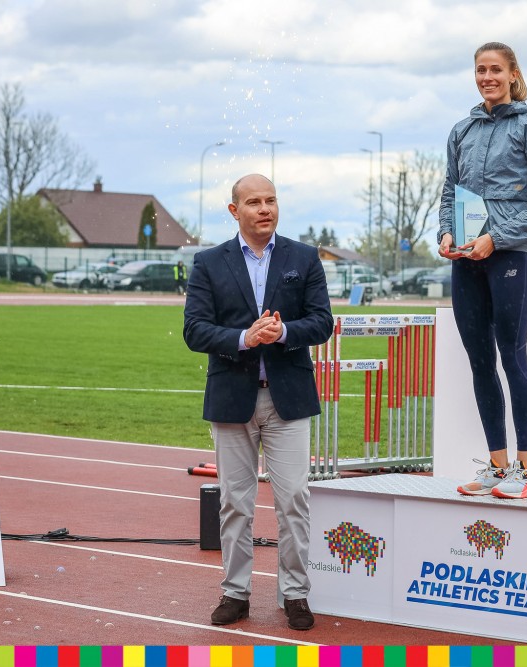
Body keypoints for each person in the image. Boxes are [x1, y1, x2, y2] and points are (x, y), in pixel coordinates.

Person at [183, 173, 334, 630]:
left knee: (294, 501)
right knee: (235, 503)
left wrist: (283, 331)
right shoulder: (208, 263)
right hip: (232, 398)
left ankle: (295, 594)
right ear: (235, 211)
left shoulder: (303, 257)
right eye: (254, 202)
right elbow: (195, 330)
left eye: (271, 200)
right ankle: (235, 593)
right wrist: (244, 338)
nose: (265, 209)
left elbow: (322, 322)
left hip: (289, 400)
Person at [437, 42, 527, 499]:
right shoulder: (461, 131)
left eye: (495, 69)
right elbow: (450, 191)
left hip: (511, 256)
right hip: (466, 260)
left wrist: (498, 237)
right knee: (479, 361)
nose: (487, 77)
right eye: (480, 70)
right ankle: (497, 465)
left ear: (513, 74)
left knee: (512, 356)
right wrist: (446, 233)